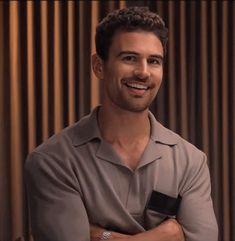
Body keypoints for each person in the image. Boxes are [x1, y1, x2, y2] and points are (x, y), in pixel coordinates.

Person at [25, 6, 218, 241]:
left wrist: (100, 235)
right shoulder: (52, 161)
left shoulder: (192, 161)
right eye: (129, 58)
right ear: (99, 66)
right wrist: (166, 234)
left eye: (154, 61)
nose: (143, 72)